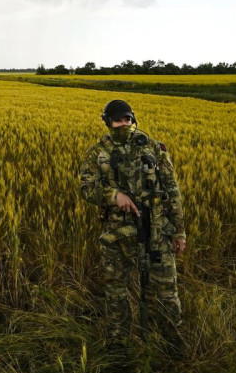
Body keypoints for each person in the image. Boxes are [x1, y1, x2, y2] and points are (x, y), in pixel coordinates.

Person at [78, 99, 186, 347]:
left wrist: (179, 232)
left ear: (133, 119)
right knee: (116, 294)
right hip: (116, 237)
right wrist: (114, 196)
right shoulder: (97, 153)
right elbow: (86, 189)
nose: (123, 125)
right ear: (108, 122)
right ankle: (119, 347)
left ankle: (173, 346)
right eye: (118, 120)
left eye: (127, 120)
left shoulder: (154, 148)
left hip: (156, 232)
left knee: (167, 293)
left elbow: (172, 189)